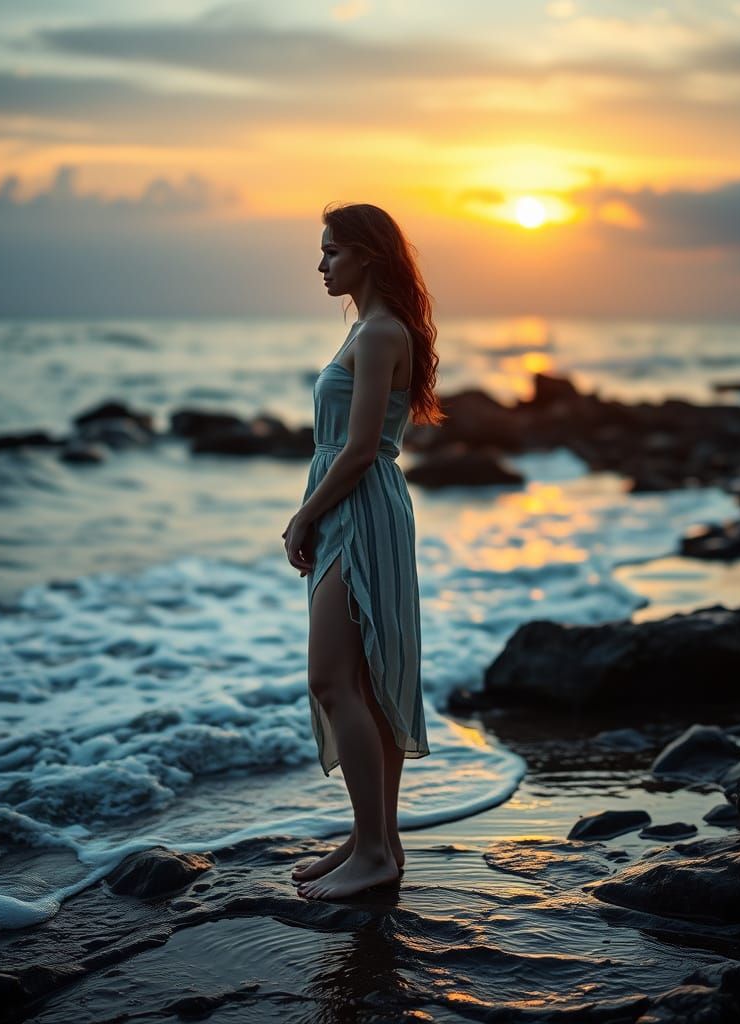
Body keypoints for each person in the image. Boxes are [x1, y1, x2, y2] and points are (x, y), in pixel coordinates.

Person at [282, 202, 445, 900]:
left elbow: (357, 448)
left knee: (332, 680)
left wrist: (305, 516)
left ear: (366, 256)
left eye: (332, 251)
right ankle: (373, 839)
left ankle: (375, 849)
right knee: (364, 680)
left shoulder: (380, 333)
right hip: (359, 504)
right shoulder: (370, 329)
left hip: (359, 509)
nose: (321, 264)